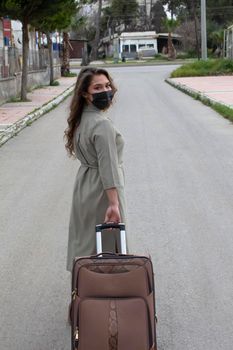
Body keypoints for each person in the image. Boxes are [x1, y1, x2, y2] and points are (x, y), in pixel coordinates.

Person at [64, 67, 127, 272]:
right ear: (85, 93)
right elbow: (108, 167)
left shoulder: (81, 119)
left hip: (84, 188)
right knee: (109, 248)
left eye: (108, 85)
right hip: (101, 190)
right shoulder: (102, 125)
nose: (105, 91)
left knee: (85, 243)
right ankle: (107, 295)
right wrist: (114, 203)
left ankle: (83, 292)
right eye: (97, 87)